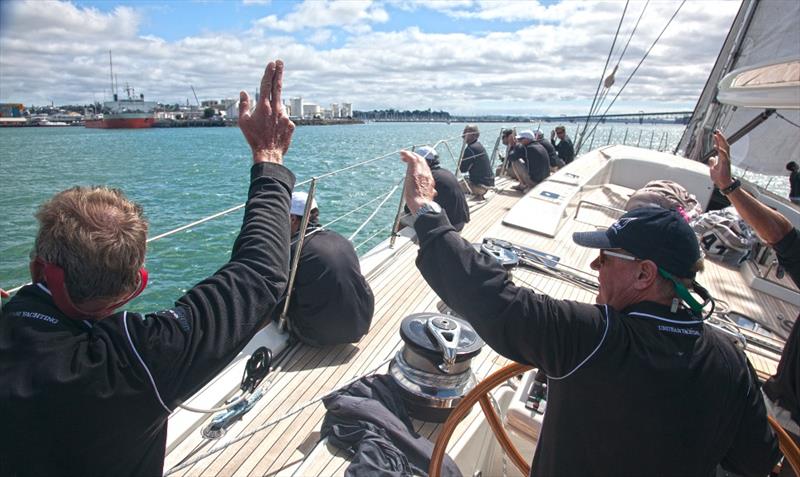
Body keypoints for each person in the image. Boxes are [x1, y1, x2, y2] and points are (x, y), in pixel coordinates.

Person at [399, 148, 780, 476]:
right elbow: (756, 459)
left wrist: (426, 211)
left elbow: (495, 299)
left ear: (644, 274)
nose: (595, 267)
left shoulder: (595, 339)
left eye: (605, 257)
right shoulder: (732, 361)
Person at [0, 59, 297, 476]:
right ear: (136, 285)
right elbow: (259, 273)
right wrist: (268, 157)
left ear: (37, 269)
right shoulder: (135, 360)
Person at [710, 132, 800, 447]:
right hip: (776, 413)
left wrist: (727, 185)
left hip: (785, 424)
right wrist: (728, 186)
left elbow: (782, 236)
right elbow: (783, 236)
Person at [281, 192, 375, 346]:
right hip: (363, 321)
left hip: (319, 335)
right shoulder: (339, 238)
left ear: (293, 219)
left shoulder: (294, 249)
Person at [416, 145, 470, 231]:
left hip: (450, 227)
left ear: (426, 162)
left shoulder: (427, 178)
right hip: (460, 221)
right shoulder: (445, 172)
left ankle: (398, 243)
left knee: (403, 218)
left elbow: (411, 208)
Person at [458, 124, 494, 200]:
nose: (462, 135)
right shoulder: (478, 146)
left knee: (454, 186)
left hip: (480, 187)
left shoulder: (470, 149)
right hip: (489, 184)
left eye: (465, 132)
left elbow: (462, 169)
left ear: (473, 135)